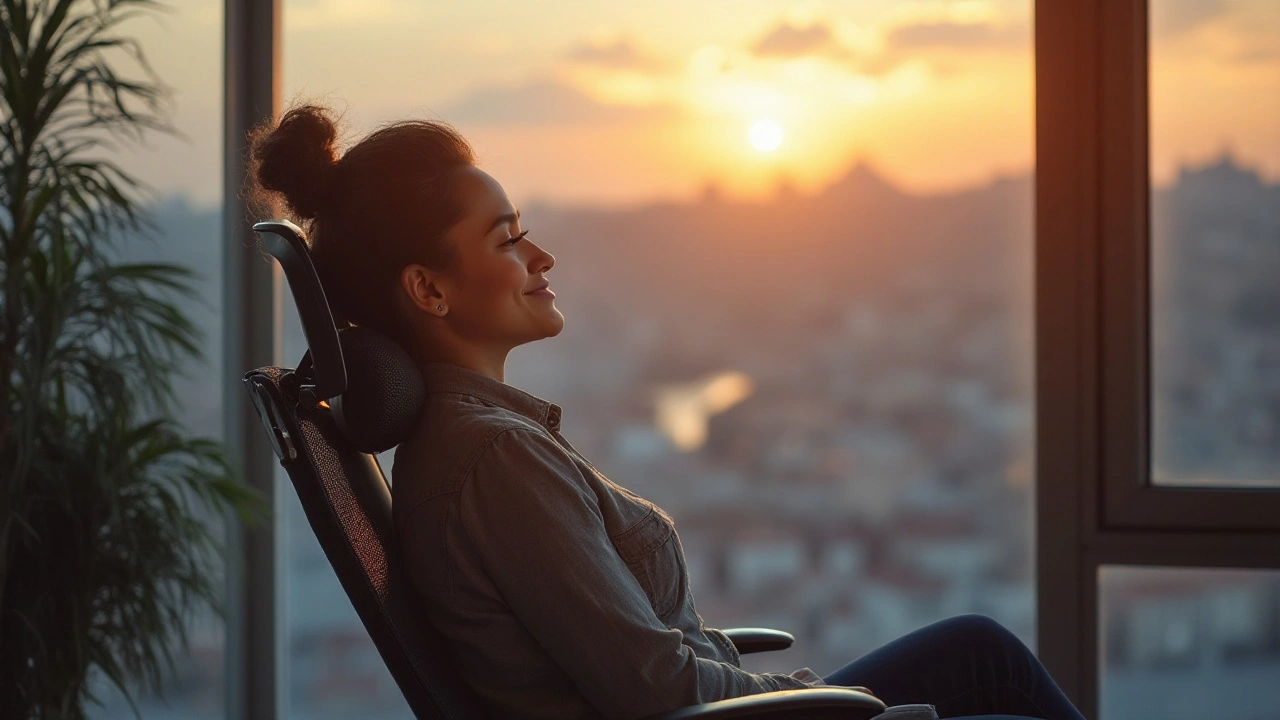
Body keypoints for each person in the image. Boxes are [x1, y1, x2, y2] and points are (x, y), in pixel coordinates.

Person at [248, 105, 1087, 720]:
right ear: (428, 288)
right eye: (506, 240)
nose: (541, 257)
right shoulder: (491, 460)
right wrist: (823, 699)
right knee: (990, 667)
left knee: (981, 653)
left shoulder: (476, 443)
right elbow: (653, 691)